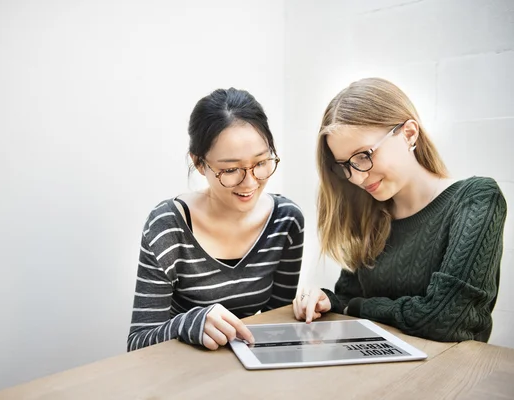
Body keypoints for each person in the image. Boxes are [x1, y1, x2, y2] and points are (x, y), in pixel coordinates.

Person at [293, 77, 507, 342]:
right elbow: (348, 299)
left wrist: (359, 307)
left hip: (449, 375)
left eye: (364, 155)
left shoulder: (476, 199)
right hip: (373, 371)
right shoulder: (368, 212)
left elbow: (448, 320)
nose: (357, 178)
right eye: (344, 165)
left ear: (409, 133)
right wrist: (325, 299)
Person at [128, 88, 304, 351]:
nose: (250, 182)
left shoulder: (286, 221)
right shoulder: (168, 225)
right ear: (199, 163)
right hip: (180, 376)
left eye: (261, 162)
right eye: (230, 169)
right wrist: (190, 323)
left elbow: (274, 324)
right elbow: (138, 343)